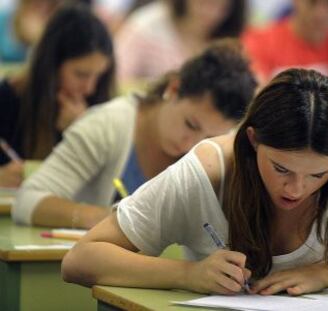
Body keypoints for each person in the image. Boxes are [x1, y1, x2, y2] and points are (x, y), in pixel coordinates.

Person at [61, 68, 328, 295]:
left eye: (318, 176)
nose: (296, 189)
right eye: (281, 169)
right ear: (252, 140)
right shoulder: (206, 171)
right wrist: (188, 274)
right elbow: (81, 260)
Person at [13, 40, 257, 229]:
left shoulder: (222, 152)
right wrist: (112, 220)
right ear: (173, 89)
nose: (191, 144)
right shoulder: (109, 125)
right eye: (190, 125)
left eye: (208, 139)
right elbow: (27, 201)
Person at [0, 2, 115, 188]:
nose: (90, 88)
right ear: (52, 66)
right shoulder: (7, 100)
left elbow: (114, 184)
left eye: (99, 76)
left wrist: (85, 133)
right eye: (81, 74)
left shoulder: (98, 104)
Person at [115, 0, 246, 81]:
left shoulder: (227, 38)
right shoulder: (146, 28)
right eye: (204, 2)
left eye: (222, 8)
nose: (211, 13)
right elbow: (115, 79)